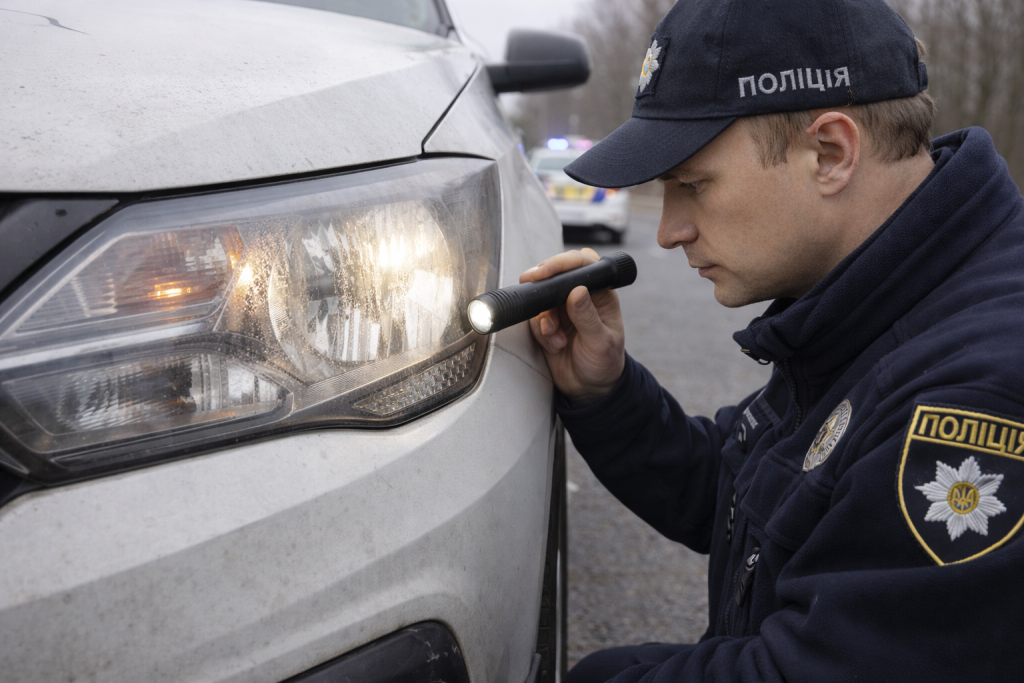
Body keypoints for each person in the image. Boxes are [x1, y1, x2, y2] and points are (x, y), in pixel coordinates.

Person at [522, 0, 1024, 681]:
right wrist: (607, 390)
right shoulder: (872, 298)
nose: (668, 231)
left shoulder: (975, 395)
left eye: (692, 185)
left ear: (830, 153)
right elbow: (748, 495)